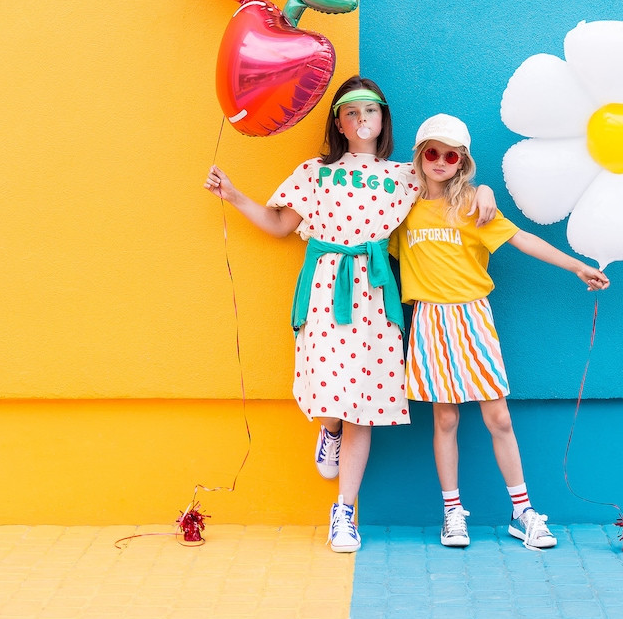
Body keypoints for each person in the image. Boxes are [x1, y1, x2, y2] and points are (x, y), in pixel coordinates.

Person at [204, 79, 496, 554]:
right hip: (325, 285)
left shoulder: (404, 175)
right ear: (338, 122)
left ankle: (343, 512)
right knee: (331, 393)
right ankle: (329, 429)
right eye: (352, 112)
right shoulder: (314, 172)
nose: (362, 120)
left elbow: (449, 185)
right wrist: (234, 196)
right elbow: (281, 225)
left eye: (371, 111)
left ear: (383, 119)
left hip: (376, 292)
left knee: (364, 399)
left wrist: (483, 190)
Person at [388, 114, 610, 551]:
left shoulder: (473, 204)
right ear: (419, 155)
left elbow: (523, 239)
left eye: (450, 155)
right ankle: (452, 512)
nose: (439, 161)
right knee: (446, 418)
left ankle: (522, 511)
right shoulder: (401, 205)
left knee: (499, 417)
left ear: (461, 162)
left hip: (472, 316)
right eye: (431, 152)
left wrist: (577, 265)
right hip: (430, 319)